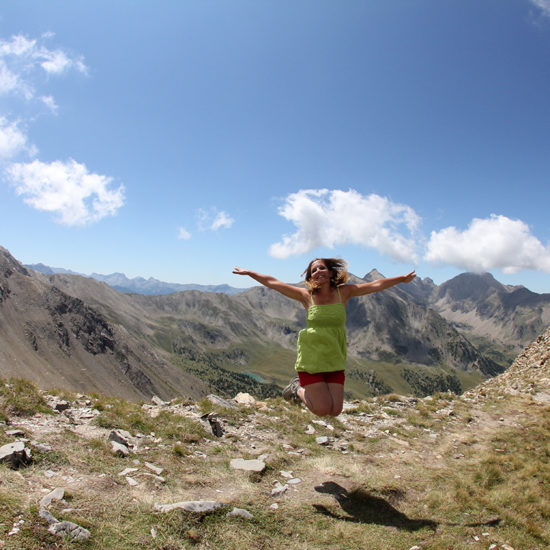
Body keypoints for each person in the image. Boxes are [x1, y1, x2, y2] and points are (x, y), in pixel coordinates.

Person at [233, 259, 416, 417]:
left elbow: (375, 285)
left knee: (335, 411)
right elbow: (273, 283)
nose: (318, 271)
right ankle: (297, 389)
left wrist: (401, 279)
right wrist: (250, 273)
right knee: (321, 410)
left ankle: (304, 391)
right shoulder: (306, 296)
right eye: (313, 270)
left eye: (321, 268)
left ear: (330, 272)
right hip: (312, 357)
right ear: (311, 277)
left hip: (334, 355)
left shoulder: (344, 292)